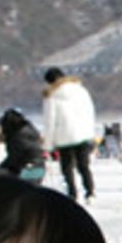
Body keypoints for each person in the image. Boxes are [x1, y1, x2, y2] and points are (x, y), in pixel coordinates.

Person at [42, 67, 98, 202]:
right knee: (84, 165)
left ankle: (72, 194)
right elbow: (90, 112)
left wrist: (47, 145)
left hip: (63, 136)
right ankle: (90, 192)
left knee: (67, 167)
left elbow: (50, 122)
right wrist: (91, 133)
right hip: (84, 133)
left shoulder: (51, 96)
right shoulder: (81, 90)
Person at [0, 107, 48, 179]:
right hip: (37, 169)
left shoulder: (19, 137)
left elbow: (13, 159)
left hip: (30, 171)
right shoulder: (28, 131)